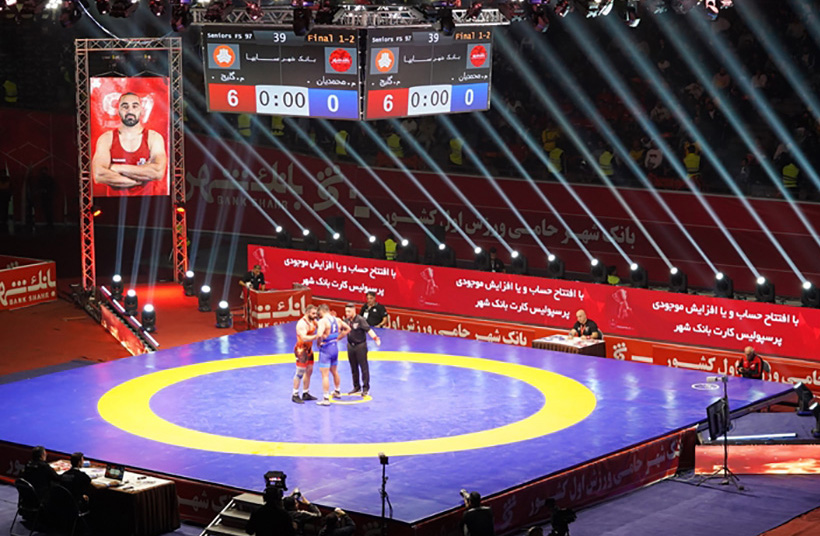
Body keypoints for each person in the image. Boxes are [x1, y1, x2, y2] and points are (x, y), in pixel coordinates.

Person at [91, 92, 168, 193]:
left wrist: (116, 168)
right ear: (118, 110)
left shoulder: (153, 137)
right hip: (114, 202)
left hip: (147, 201)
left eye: (135, 106)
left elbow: (158, 173)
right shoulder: (106, 138)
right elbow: (99, 175)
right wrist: (139, 177)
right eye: (125, 106)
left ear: (141, 110)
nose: (130, 111)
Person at [315, 305, 351, 406]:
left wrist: (318, 343)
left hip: (326, 349)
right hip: (335, 348)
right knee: (334, 371)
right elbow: (348, 329)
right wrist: (338, 338)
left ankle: (326, 399)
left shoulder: (323, 321)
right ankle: (337, 391)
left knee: (325, 375)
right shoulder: (337, 320)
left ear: (321, 311)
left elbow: (319, 334)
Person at [344, 303, 381, 397]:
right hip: (350, 346)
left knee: (363, 367)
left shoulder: (360, 320)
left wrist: (376, 338)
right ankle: (356, 386)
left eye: (349, 311)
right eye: (346, 311)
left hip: (360, 346)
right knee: (353, 367)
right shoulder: (346, 321)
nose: (347, 313)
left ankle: (365, 388)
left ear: (354, 311)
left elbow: (369, 330)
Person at [293, 305, 319, 404]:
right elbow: (304, 338)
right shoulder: (301, 324)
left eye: (316, 313)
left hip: (309, 349)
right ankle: (295, 394)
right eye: (313, 313)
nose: (315, 315)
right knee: (300, 372)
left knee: (309, 371)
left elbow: (320, 325)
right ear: (307, 313)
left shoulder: (313, 321)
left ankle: (305, 393)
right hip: (301, 350)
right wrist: (316, 336)